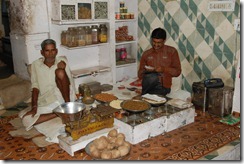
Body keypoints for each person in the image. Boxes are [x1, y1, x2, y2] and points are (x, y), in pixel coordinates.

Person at [18, 39, 76, 142]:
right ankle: (59, 114)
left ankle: (67, 108)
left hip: (64, 98)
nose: (50, 54)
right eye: (47, 51)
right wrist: (34, 107)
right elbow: (35, 87)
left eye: (53, 50)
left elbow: (69, 83)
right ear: (42, 52)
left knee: (59, 72)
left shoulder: (62, 61)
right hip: (47, 102)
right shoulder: (35, 65)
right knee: (26, 119)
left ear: (56, 51)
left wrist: (63, 69)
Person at [138, 28, 181, 96]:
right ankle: (144, 95)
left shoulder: (172, 52)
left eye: (159, 43)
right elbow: (140, 74)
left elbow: (177, 72)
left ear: (164, 41)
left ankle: (144, 95)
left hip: (163, 87)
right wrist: (147, 70)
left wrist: (164, 69)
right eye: (154, 42)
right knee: (151, 77)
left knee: (152, 80)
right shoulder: (146, 54)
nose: (156, 45)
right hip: (148, 85)